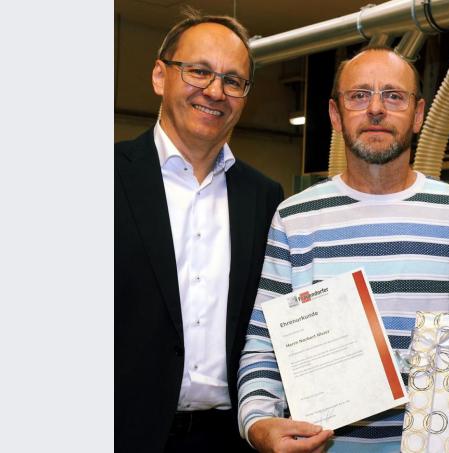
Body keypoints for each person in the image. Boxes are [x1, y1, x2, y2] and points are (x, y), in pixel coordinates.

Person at [237, 46, 449, 452]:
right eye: (359, 95)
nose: (376, 108)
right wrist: (257, 425)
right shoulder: (294, 218)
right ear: (335, 114)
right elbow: (263, 343)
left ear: (417, 115)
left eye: (393, 96)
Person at [115, 9, 284, 453]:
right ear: (159, 75)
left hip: (228, 440)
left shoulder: (265, 198)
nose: (215, 91)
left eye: (233, 81)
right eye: (199, 71)